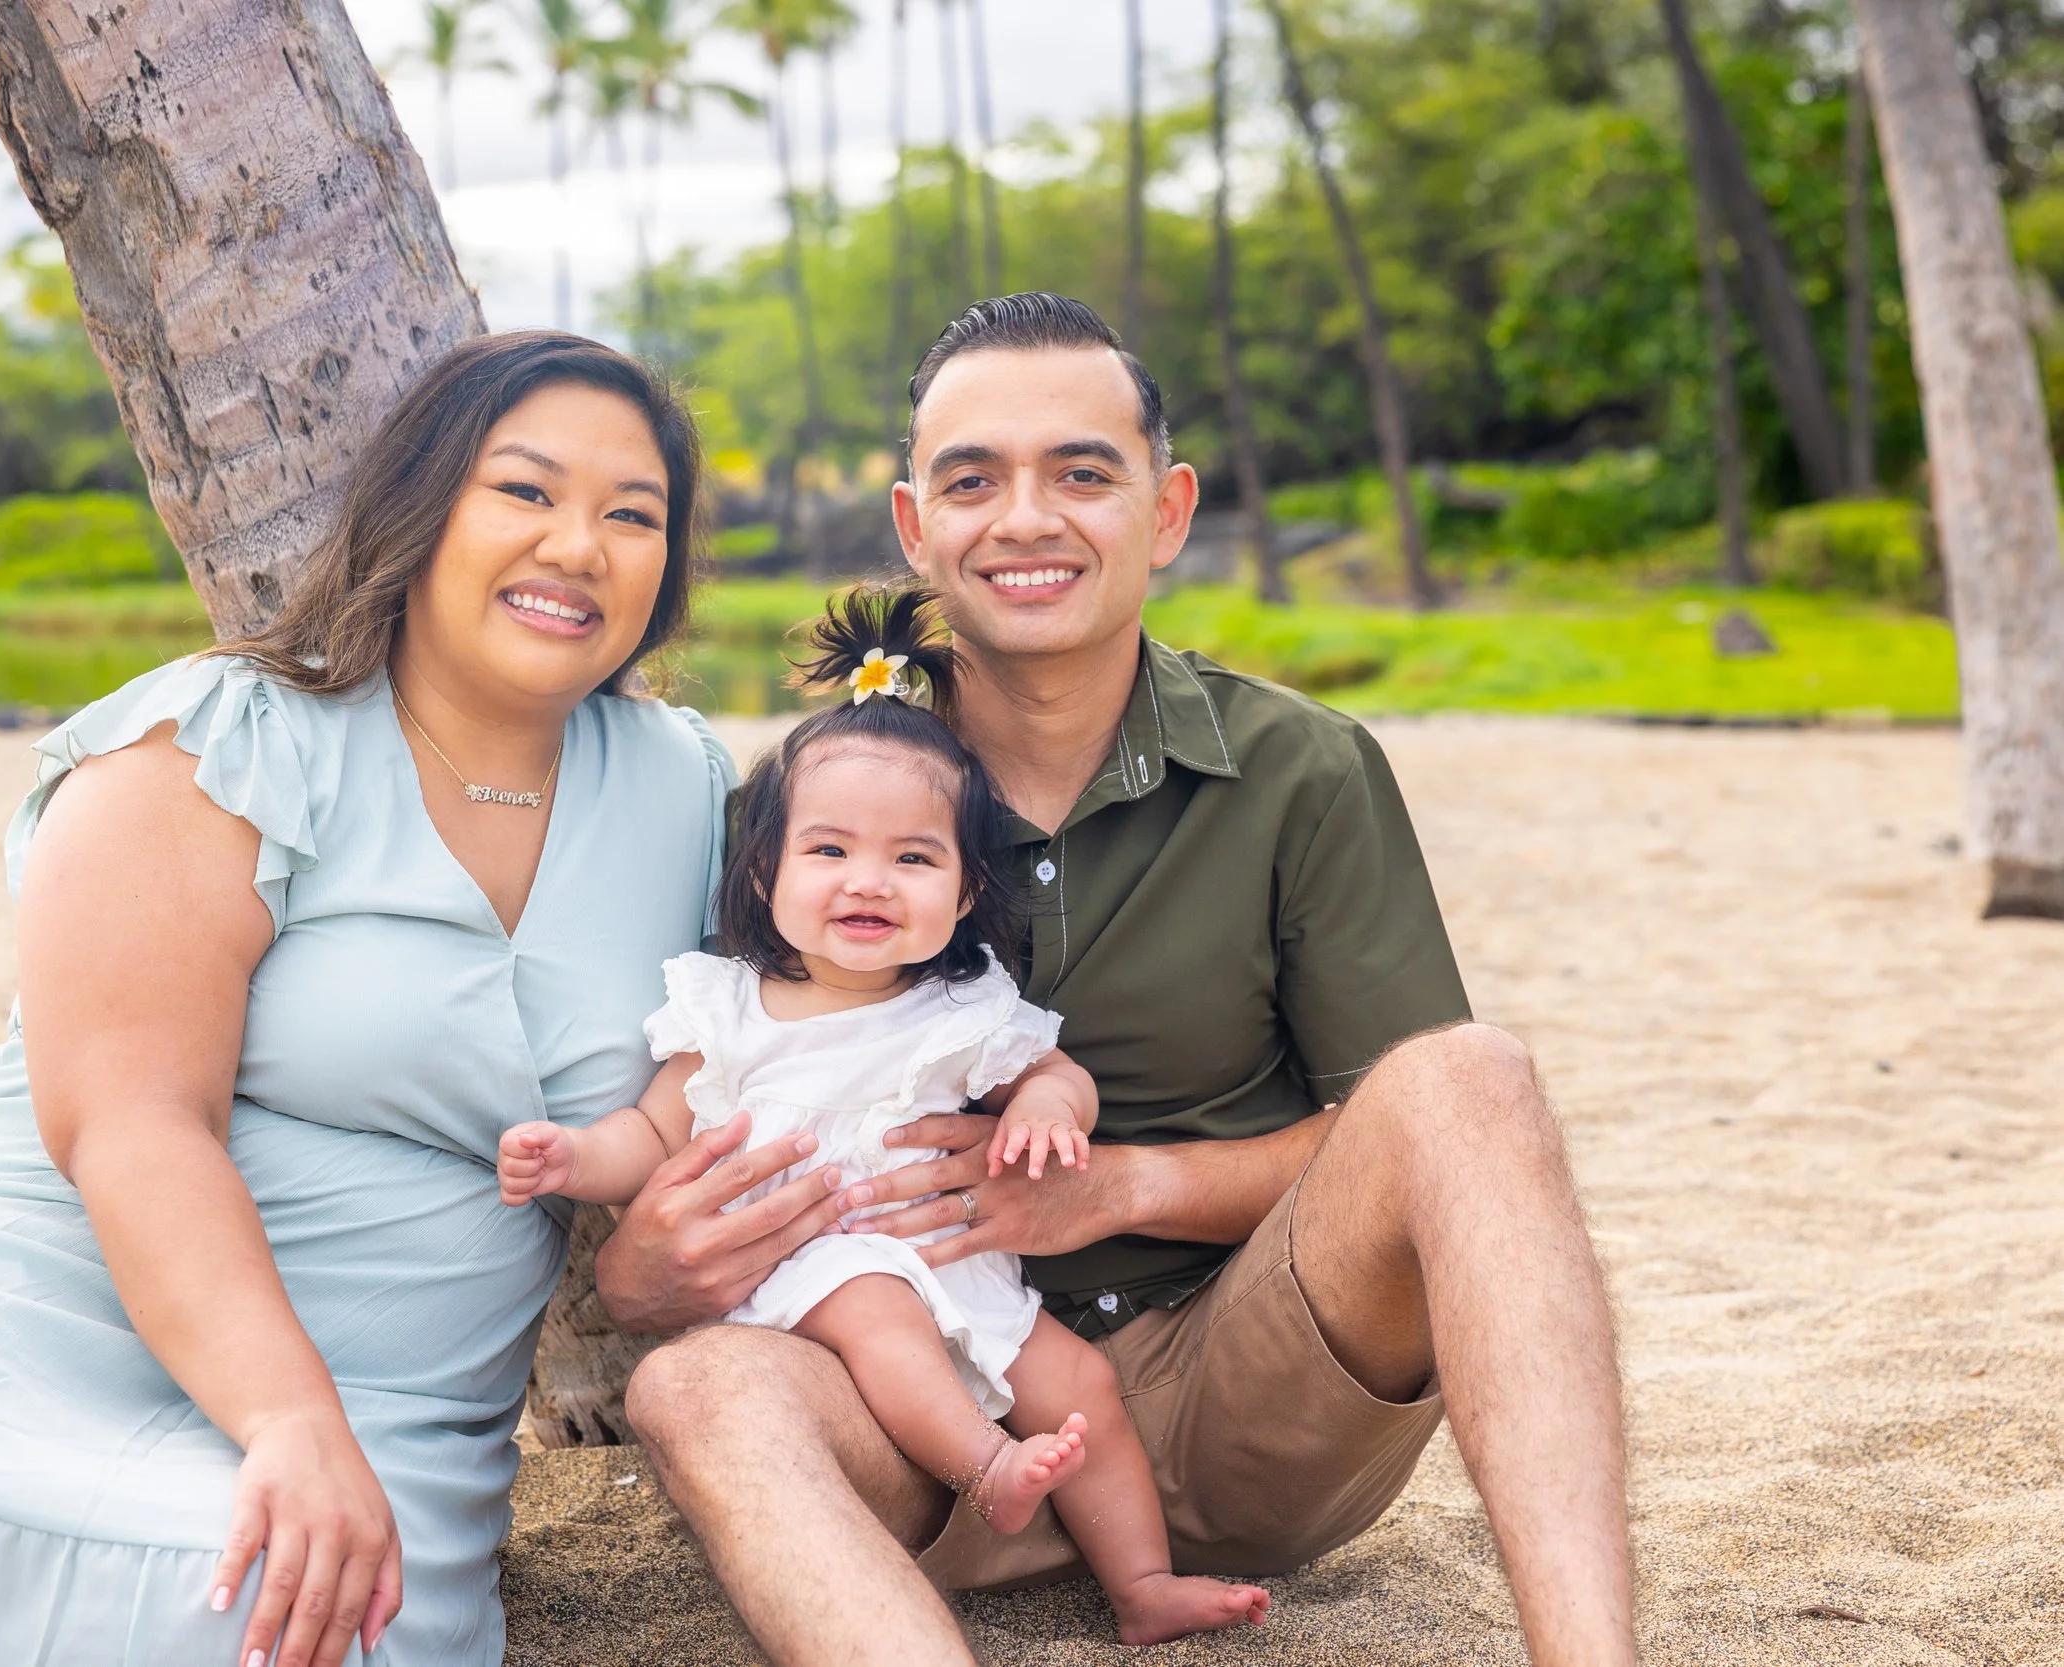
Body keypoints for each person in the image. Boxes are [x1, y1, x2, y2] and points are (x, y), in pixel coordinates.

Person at [0, 332, 768, 1667]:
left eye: (632, 514)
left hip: (396, 1382)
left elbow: (752, 1046)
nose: (579, 545)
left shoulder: (687, 789)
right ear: (423, 510)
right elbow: (128, 1119)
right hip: (32, 1286)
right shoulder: (221, 741)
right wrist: (286, 1419)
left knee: (242, 1620)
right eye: (525, 491)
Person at [592, 294, 1635, 1667]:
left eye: (1082, 472)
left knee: (1470, 1073)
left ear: (1166, 507)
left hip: (1245, 1391)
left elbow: (1408, 1143)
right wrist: (641, 1268)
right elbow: (700, 1104)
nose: (1025, 517)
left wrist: (1127, 1185)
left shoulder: (1304, 771)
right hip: (919, 1415)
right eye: (973, 480)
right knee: (695, 1383)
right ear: (916, 527)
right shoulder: (811, 811)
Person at [497, 585, 1272, 1646]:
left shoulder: (958, 1007)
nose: (870, 879)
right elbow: (651, 1133)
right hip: (816, 1277)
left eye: (913, 857)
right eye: (829, 851)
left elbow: (1053, 1070)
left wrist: (1048, 1110)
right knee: (870, 1300)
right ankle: (984, 1466)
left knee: (1081, 1379)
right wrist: (573, 1154)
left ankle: (1141, 1583)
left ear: (960, 897)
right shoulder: (725, 1008)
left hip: (961, 1272)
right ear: (763, 869)